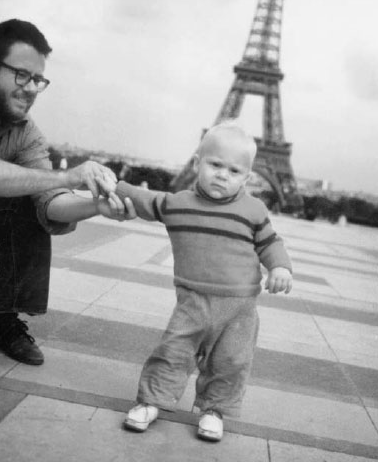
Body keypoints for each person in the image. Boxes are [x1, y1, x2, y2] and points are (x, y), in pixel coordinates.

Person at [0, 19, 136, 366]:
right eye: (22, 75)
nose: (33, 88)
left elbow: (49, 203)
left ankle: (4, 321)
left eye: (39, 80)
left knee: (29, 195)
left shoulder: (25, 132)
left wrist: (96, 206)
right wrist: (69, 176)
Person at [108, 122, 293, 441]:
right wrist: (114, 185)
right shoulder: (178, 203)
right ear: (197, 164)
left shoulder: (253, 209)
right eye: (215, 164)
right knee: (173, 353)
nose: (223, 174)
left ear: (247, 178)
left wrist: (280, 268)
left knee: (231, 363)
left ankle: (213, 410)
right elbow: (144, 199)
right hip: (193, 301)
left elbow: (269, 243)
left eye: (234, 171)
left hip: (239, 309)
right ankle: (151, 401)